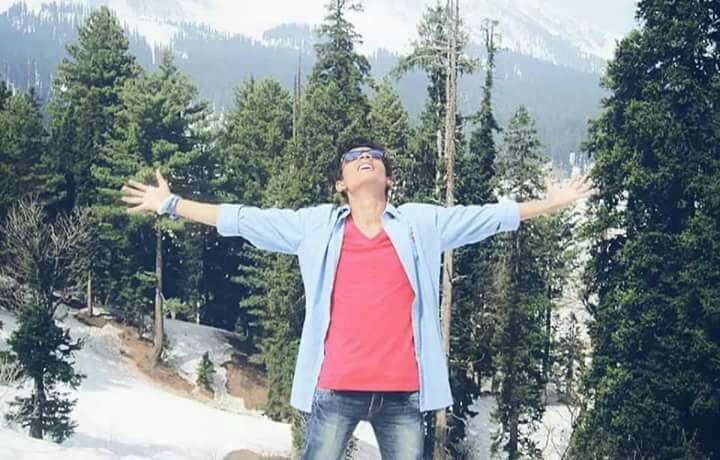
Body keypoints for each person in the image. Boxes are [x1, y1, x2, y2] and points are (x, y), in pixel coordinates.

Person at [120, 139, 595, 459]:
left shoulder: (420, 224)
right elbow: (243, 219)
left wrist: (552, 203)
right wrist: (171, 204)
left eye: (375, 156)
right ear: (341, 183)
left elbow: (488, 217)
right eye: (354, 157)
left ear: (388, 179)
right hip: (335, 389)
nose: (366, 158)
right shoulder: (315, 228)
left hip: (403, 394)